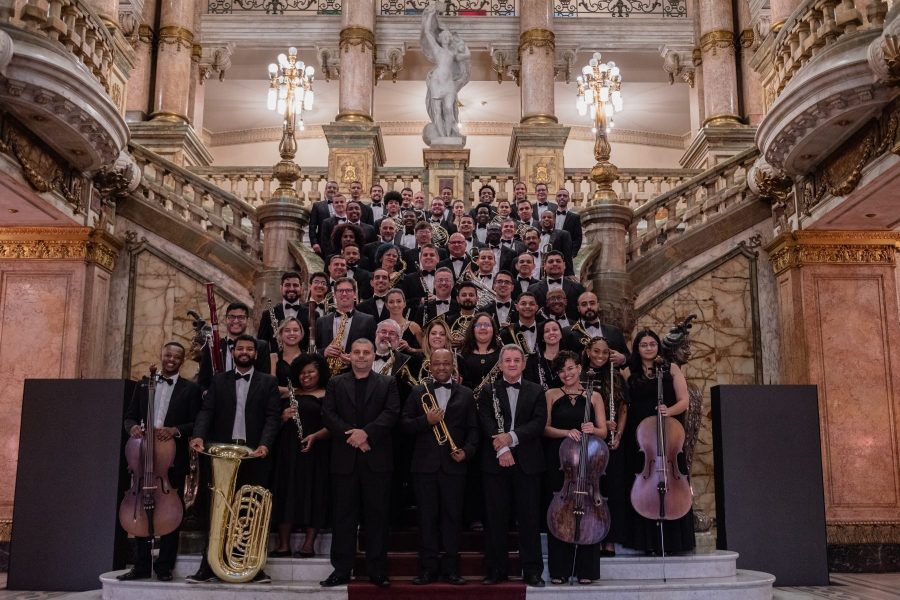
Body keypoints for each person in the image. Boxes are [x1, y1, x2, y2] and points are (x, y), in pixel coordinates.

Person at [187, 335, 281, 584]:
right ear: (234, 352)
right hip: (223, 454)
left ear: (255, 354)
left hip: (253, 455)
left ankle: (251, 567)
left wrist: (264, 445)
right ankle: (207, 567)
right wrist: (198, 436)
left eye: (250, 348)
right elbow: (207, 411)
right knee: (215, 512)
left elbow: (273, 417)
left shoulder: (268, 382)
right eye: (240, 348)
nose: (245, 352)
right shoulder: (219, 381)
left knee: (249, 513)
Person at [320, 339, 401, 588]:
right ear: (350, 356)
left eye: (366, 353)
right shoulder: (335, 382)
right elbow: (328, 415)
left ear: (374, 355)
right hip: (345, 462)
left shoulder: (388, 382)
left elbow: (391, 413)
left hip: (377, 461)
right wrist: (354, 436)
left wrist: (366, 434)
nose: (362, 356)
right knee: (343, 517)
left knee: (377, 517)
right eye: (357, 352)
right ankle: (341, 570)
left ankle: (377, 570)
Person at [118, 342, 201, 582]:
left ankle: (164, 567)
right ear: (161, 356)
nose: (171, 359)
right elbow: (130, 415)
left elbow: (197, 422)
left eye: (177, 356)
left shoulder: (190, 389)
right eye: (168, 355)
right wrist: (132, 426)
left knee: (171, 511)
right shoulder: (145, 384)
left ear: (182, 360)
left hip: (171, 460)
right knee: (141, 511)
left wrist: (175, 430)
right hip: (143, 457)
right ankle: (141, 566)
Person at [401, 349, 478, 585]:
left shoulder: (465, 394)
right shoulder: (417, 392)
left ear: (452, 365)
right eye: (437, 363)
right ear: (430, 366)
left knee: (452, 518)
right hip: (424, 467)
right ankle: (428, 568)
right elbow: (404, 425)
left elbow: (474, 430)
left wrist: (467, 451)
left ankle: (451, 569)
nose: (442, 367)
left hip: (454, 467)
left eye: (446, 363)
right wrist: (427, 421)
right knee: (427, 519)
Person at [477, 344, 546, 587]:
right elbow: (485, 422)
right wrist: (503, 448)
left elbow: (538, 423)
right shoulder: (487, 390)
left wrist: (511, 437)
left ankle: (532, 571)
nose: (513, 364)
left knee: (529, 519)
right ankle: (496, 570)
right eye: (507, 360)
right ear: (500, 363)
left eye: (517, 360)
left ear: (524, 364)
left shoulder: (537, 391)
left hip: (528, 462)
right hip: (496, 463)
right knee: (496, 518)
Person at [622, 329, 695, 554]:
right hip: (640, 438)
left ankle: (674, 541)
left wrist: (668, 410)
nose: (648, 348)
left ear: (658, 346)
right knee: (642, 485)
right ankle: (646, 542)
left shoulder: (670, 369)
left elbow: (684, 401)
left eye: (652, 344)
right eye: (643, 345)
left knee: (673, 481)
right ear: (637, 348)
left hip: (667, 433)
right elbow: (625, 405)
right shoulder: (628, 372)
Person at [543, 350, 608, 584]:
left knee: (588, 511)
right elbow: (545, 428)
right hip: (561, 463)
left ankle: (586, 570)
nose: (566, 374)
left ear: (579, 368)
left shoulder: (595, 396)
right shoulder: (551, 394)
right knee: (560, 512)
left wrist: (592, 430)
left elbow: (603, 431)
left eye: (570, 368)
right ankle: (559, 569)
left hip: (588, 462)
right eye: (561, 370)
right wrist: (566, 432)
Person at [269, 323, 331, 559]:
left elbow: (334, 425)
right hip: (288, 450)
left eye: (311, 372)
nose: (306, 376)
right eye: (302, 373)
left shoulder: (327, 393)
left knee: (314, 493)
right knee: (286, 491)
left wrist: (316, 436)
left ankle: (308, 544)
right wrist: (283, 416)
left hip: (316, 449)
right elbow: (271, 417)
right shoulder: (290, 394)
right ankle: (283, 544)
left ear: (320, 373)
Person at [583, 336, 629, 556]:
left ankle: (610, 539)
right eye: (596, 351)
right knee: (591, 488)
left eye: (604, 352)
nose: (600, 356)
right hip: (588, 441)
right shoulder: (581, 375)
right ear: (588, 352)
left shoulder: (616, 376)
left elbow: (623, 408)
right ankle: (591, 532)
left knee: (613, 489)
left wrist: (618, 433)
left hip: (611, 442)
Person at [421, 2, 470, 145]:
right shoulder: (437, 49)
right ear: (441, 39)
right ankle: (442, 138)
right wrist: (430, 15)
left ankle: (449, 136)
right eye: (445, 36)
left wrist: (463, 47)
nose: (447, 38)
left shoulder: (453, 52)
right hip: (437, 81)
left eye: (449, 36)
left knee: (449, 109)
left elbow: (466, 56)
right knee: (437, 111)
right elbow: (428, 33)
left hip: (448, 83)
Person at [197, 301, 270, 391]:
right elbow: (202, 382)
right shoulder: (212, 346)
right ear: (226, 319)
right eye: (231, 317)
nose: (235, 321)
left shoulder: (261, 346)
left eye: (241, 317)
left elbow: (265, 380)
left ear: (248, 320)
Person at [315, 278, 377, 374]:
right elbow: (313, 350)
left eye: (348, 290)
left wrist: (355, 358)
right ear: (335, 295)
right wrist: (324, 352)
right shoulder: (321, 321)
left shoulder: (368, 320)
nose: (344, 294)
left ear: (355, 294)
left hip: (356, 374)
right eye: (340, 291)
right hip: (327, 374)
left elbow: (374, 350)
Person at [570, 292, 629, 361]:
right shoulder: (569, 332)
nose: (589, 307)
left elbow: (629, 357)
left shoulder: (614, 331)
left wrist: (623, 358)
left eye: (592, 303)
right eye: (584, 304)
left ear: (598, 305)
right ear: (578, 308)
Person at [257, 272, 305, 353]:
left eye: (295, 285)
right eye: (287, 285)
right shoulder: (268, 314)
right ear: (281, 288)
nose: (291, 288)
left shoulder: (312, 314)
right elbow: (261, 345)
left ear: (301, 288)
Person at [528, 319, 565, 392]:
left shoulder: (570, 357)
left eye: (555, 329)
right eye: (547, 331)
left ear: (561, 334)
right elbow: (530, 386)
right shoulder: (533, 359)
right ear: (542, 337)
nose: (551, 333)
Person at [385, 288, 424, 354]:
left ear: (404, 304)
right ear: (386, 305)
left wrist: (410, 349)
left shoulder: (413, 326)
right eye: (391, 302)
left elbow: (427, 350)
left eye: (399, 301)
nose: (395, 305)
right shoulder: (380, 326)